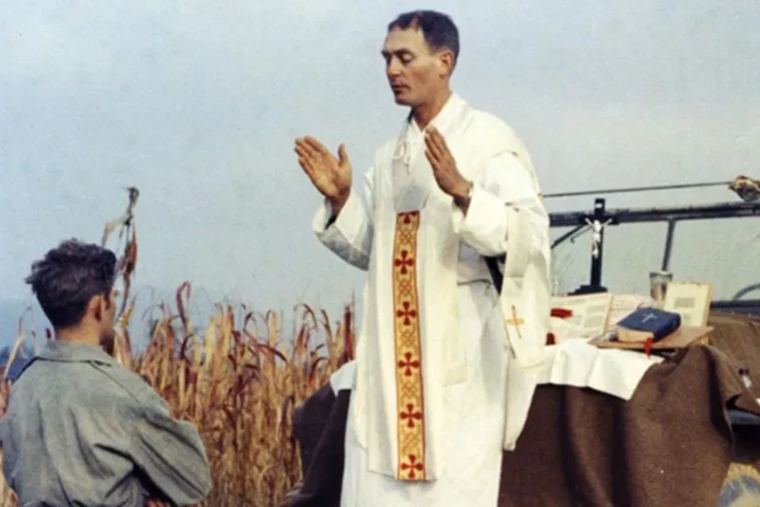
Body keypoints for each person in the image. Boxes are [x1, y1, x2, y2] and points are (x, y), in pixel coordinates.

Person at [294, 9, 552, 507]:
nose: (391, 69)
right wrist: (344, 202)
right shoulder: (389, 157)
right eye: (386, 58)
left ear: (444, 62)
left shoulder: (489, 142)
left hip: (459, 359)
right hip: (389, 362)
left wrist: (465, 193)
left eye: (405, 57)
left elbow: (531, 235)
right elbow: (378, 255)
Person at [0, 239, 212, 506]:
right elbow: (195, 479)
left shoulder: (22, 388)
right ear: (99, 305)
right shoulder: (121, 392)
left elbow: (15, 472)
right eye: (113, 297)